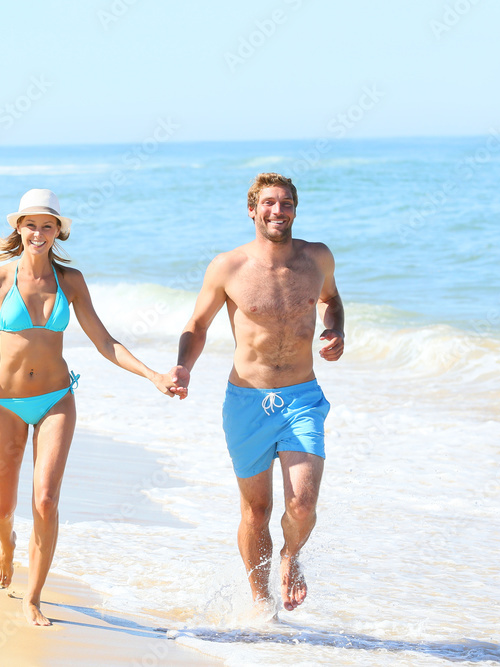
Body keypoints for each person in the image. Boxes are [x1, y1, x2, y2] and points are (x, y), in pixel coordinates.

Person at [0, 188, 174, 626]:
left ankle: (33, 598)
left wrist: (153, 375)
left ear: (58, 231)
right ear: (18, 228)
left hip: (57, 400)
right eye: (31, 224)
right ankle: (6, 545)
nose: (38, 233)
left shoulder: (71, 281)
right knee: (0, 510)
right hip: (4, 403)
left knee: (45, 500)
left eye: (47, 225)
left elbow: (104, 341)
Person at [168, 173, 344, 617]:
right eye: (268, 203)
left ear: (295, 210)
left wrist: (336, 327)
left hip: (302, 396)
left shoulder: (317, 257)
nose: (277, 211)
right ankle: (261, 605)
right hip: (247, 401)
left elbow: (332, 299)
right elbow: (198, 324)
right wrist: (184, 367)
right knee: (257, 509)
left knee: (302, 505)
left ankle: (291, 555)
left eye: (286, 203)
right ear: (252, 210)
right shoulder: (228, 267)